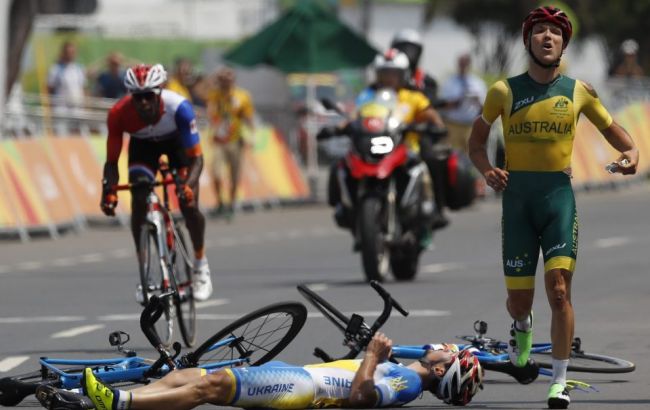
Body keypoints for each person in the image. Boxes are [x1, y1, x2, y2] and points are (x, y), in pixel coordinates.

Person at [467, 6, 639, 409]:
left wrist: (631, 151)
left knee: (559, 291)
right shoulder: (503, 91)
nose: (548, 37)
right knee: (519, 303)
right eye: (540, 31)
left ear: (564, 43)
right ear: (528, 41)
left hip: (557, 199)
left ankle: (558, 382)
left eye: (555, 33)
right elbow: (475, 144)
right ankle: (521, 328)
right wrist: (487, 170)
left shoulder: (578, 90)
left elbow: (615, 132)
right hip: (517, 202)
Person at [36, 333, 484, 410]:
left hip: (303, 388)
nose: (444, 346)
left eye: (451, 352)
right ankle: (132, 399)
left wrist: (370, 355)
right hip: (299, 376)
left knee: (209, 386)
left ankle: (120, 401)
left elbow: (361, 398)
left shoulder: (407, 381)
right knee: (186, 378)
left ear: (443, 369)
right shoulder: (406, 372)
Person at [100, 64, 213, 302]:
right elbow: (111, 162)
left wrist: (187, 186)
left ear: (159, 92)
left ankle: (201, 266)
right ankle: (145, 274)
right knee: (139, 199)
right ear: (131, 95)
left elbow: (197, 159)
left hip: (176, 146)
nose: (143, 103)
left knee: (190, 207)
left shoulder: (179, 108)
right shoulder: (119, 114)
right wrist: (108, 190)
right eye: (138, 97)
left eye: (148, 96)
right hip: (143, 149)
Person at [323, 49, 446, 246]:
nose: (388, 78)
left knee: (423, 167)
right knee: (342, 165)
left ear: (403, 74)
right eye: (384, 73)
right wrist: (337, 128)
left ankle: (427, 214)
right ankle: (346, 209)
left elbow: (430, 114)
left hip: (404, 148)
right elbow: (355, 115)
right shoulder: (369, 95)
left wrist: (436, 126)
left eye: (393, 73)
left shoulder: (411, 96)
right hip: (374, 146)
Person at [391, 29, 449, 229]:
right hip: (389, 132)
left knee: (432, 157)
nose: (407, 53)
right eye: (402, 48)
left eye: (412, 49)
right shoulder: (386, 76)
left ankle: (437, 208)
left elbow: (429, 106)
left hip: (416, 131)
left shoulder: (426, 80)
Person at [206, 67, 255, 217]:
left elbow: (248, 117)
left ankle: (231, 204)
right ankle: (220, 202)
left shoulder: (242, 96)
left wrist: (252, 135)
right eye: (222, 79)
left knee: (234, 175)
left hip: (235, 140)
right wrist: (214, 78)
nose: (225, 82)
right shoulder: (214, 95)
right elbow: (200, 90)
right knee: (216, 172)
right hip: (218, 140)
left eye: (228, 79)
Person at [440, 54, 487, 153]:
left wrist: (477, 101)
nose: (463, 66)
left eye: (465, 64)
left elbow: (485, 108)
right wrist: (457, 101)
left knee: (471, 156)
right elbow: (442, 105)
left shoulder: (478, 83)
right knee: (452, 156)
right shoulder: (449, 82)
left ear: (469, 65)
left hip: (471, 126)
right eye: (461, 64)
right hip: (452, 125)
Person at [47, 41, 87, 131]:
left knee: (78, 137)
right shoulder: (55, 69)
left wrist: (85, 107)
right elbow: (49, 89)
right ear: (63, 53)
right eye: (68, 52)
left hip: (77, 110)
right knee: (61, 136)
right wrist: (50, 107)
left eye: (72, 52)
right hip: (61, 110)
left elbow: (83, 88)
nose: (70, 55)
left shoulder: (79, 69)